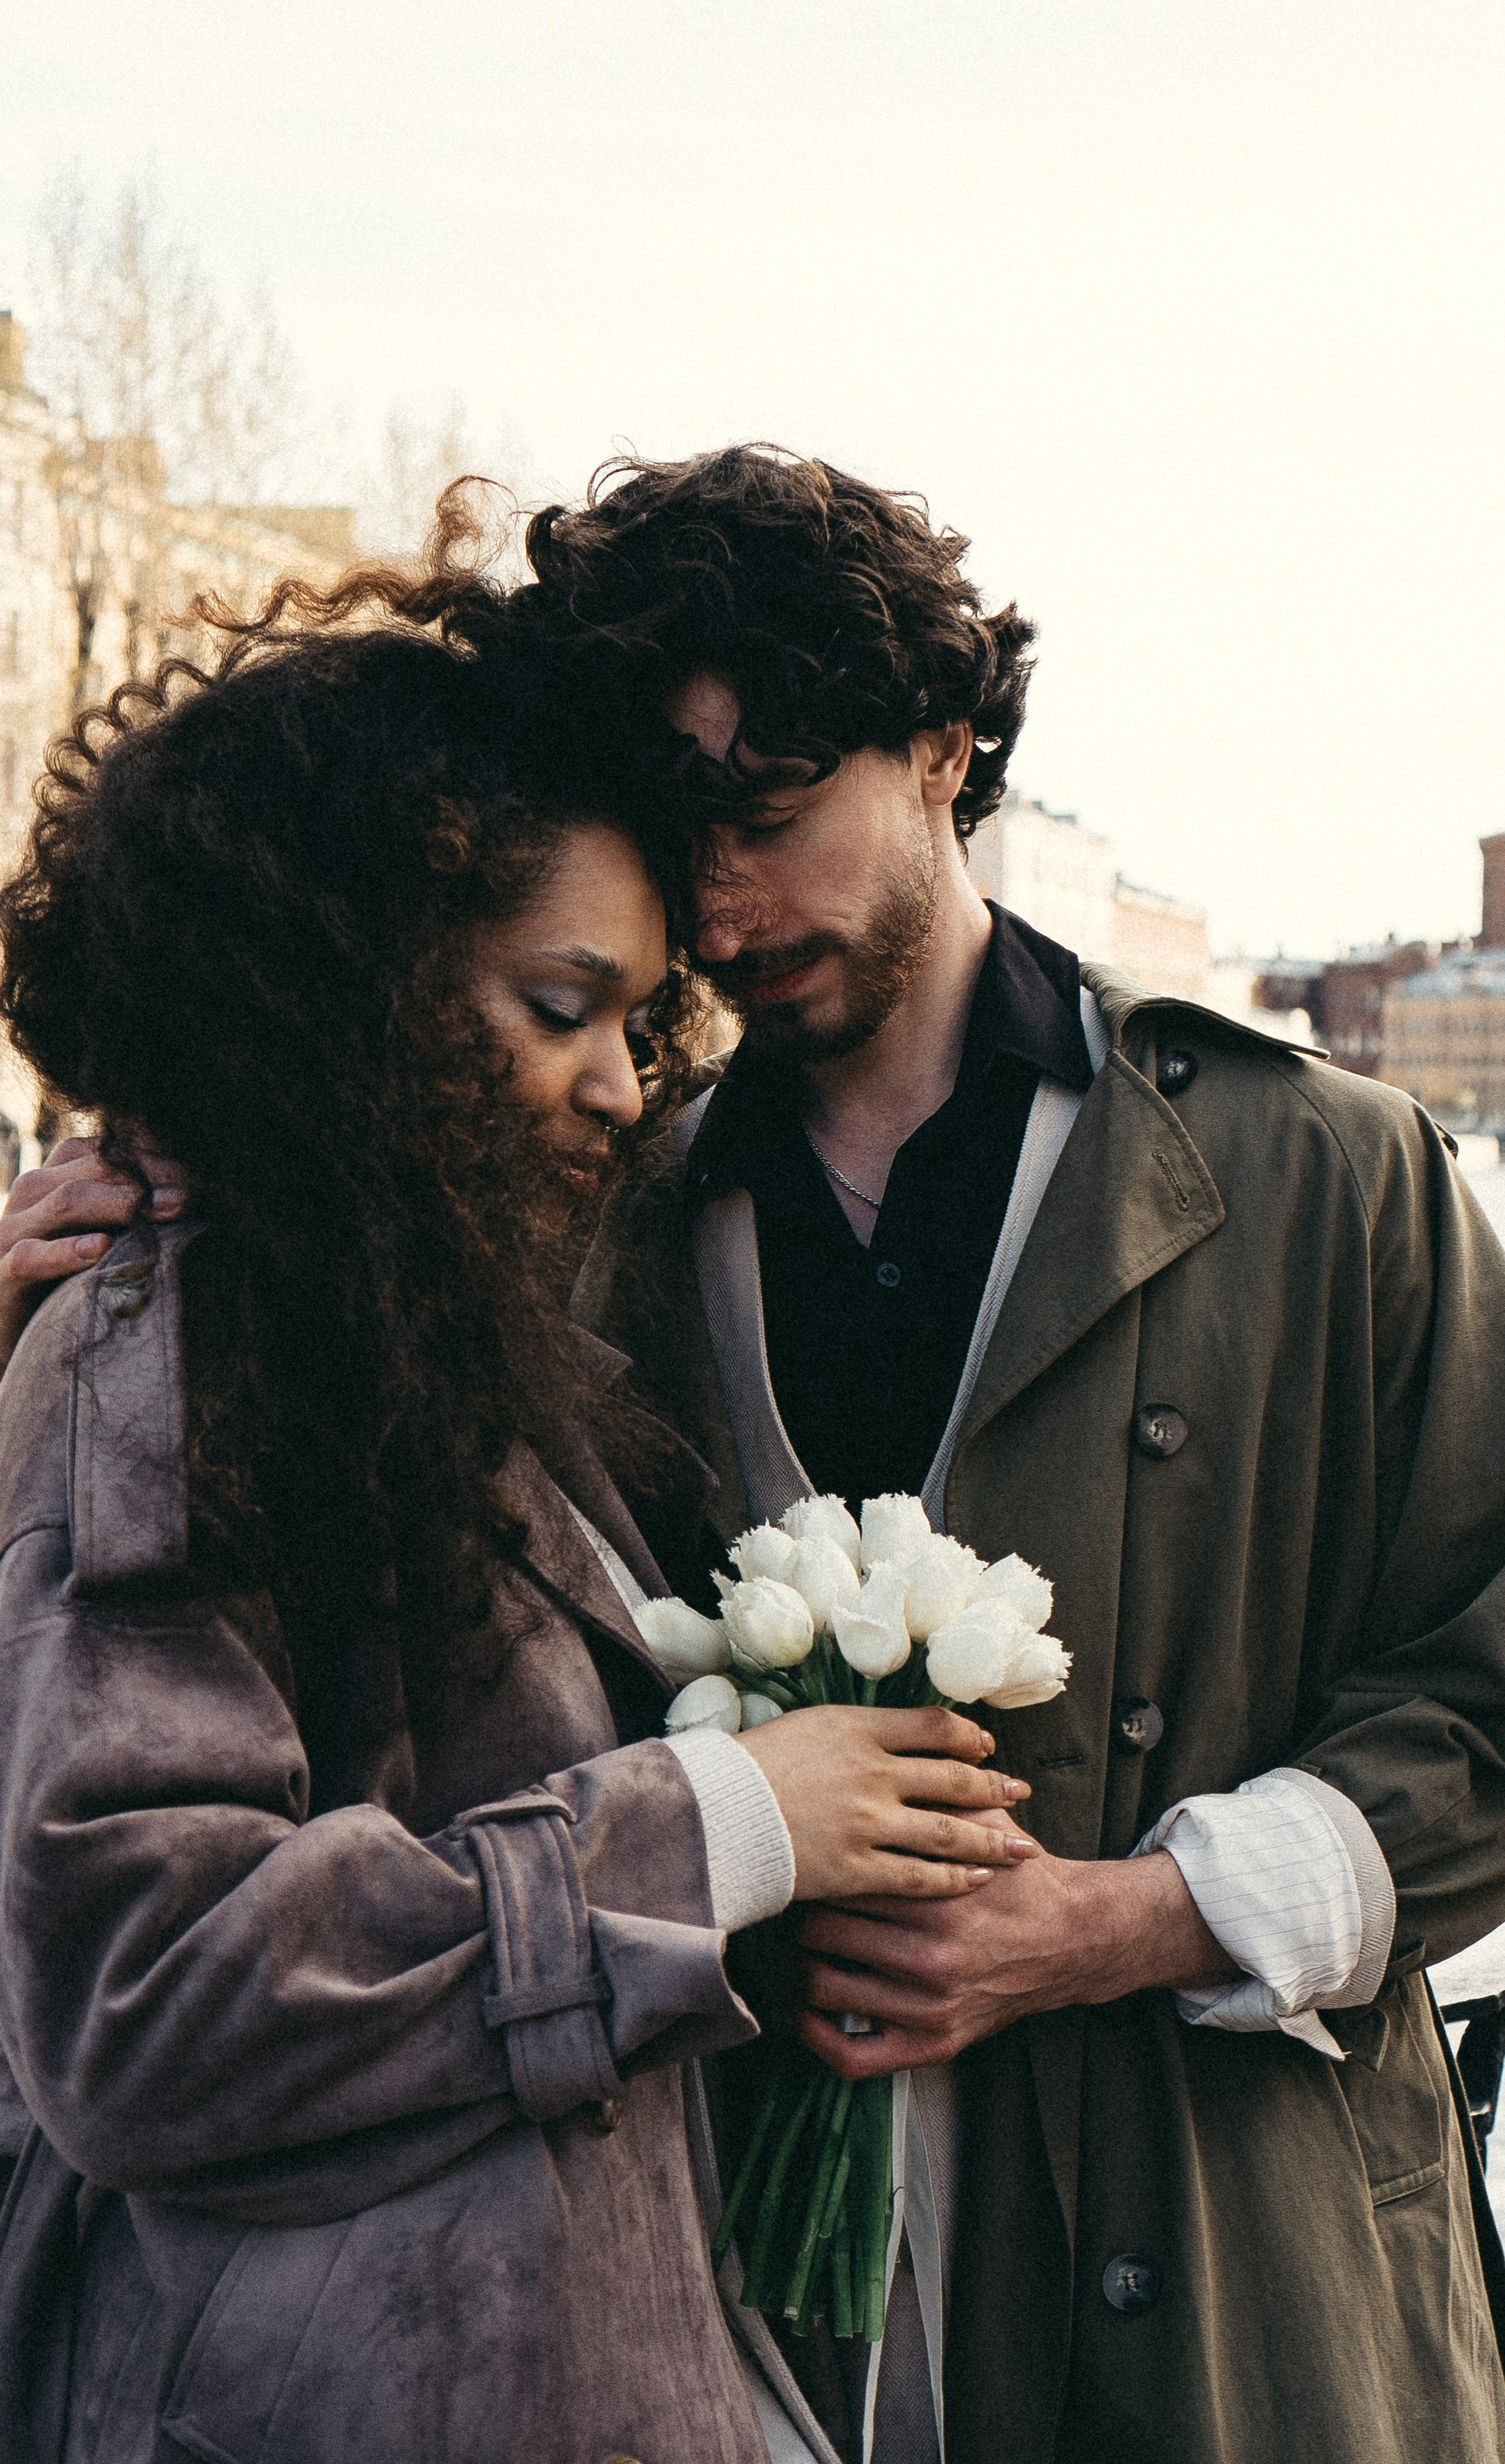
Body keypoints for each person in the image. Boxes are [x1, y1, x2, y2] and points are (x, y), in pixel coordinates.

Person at [519, 448, 1505, 2464]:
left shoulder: (1327, 1174)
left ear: (944, 745)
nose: (726, 900)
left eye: (767, 810)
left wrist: (1105, 1924)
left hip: (1230, 2310)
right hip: (748, 2328)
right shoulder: (606, 1233)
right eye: (684, 833)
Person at [0, 554, 1037, 2464]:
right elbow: (140, 2001)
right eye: (565, 1006)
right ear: (347, 979)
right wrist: (720, 1821)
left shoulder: (408, 1321)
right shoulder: (184, 1338)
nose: (618, 1088)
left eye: (643, 1027)